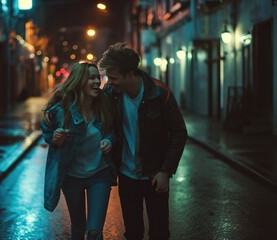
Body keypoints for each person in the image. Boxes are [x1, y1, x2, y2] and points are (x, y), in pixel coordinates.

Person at [98, 42, 187, 240]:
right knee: (133, 232)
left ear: (130, 74)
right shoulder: (111, 94)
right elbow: (85, 103)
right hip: (127, 175)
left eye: (113, 78)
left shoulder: (160, 93)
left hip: (155, 174)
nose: (110, 82)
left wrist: (165, 171)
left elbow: (179, 133)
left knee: (159, 231)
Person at [41, 62, 116, 240]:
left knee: (94, 231)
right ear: (79, 81)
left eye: (97, 77)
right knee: (78, 227)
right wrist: (55, 138)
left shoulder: (103, 104)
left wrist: (109, 140)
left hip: (100, 174)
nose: (97, 81)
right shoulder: (62, 110)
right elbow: (47, 131)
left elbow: (112, 129)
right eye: (91, 78)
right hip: (72, 177)